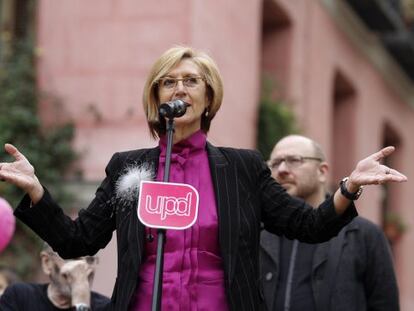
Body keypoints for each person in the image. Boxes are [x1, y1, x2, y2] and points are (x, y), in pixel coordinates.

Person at [0, 46, 407, 311]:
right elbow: (79, 240)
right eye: (168, 81)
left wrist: (349, 186)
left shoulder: (242, 169)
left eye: (191, 80)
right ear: (157, 97)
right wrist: (37, 191)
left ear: (208, 96)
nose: (180, 88)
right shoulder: (129, 168)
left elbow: (308, 225)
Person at [260, 135, 400, 311]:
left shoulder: (364, 234)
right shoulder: (258, 231)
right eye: (274, 163)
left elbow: (385, 304)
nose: (281, 170)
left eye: (294, 160)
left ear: (322, 171)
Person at [0, 244, 110, 310]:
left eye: (90, 260)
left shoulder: (106, 307)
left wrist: (81, 302)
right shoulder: (19, 296)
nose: (83, 268)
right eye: (73, 258)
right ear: (47, 263)